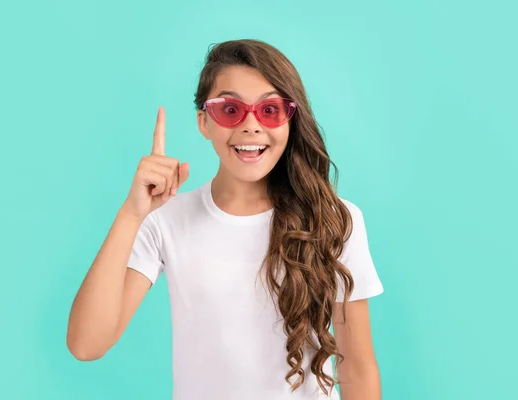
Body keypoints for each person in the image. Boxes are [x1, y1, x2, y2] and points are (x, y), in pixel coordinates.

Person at [67, 39, 384, 400]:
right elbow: (86, 344)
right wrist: (131, 214)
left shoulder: (334, 220)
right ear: (204, 122)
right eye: (230, 109)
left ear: (291, 120)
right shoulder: (165, 221)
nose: (250, 126)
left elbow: (357, 366)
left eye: (270, 110)